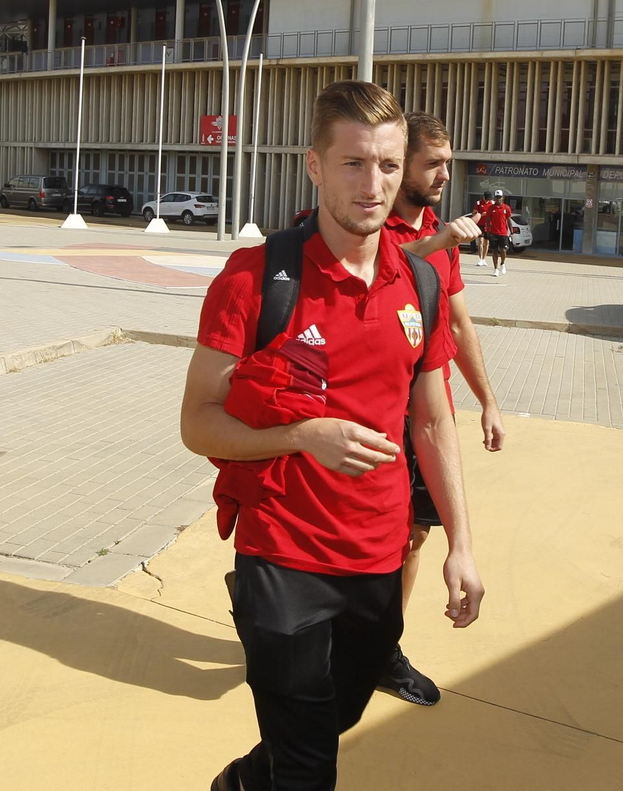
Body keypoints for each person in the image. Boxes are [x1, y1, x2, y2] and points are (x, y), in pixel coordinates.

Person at [182, 81, 483, 791]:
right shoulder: (257, 278)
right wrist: (302, 434)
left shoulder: (420, 281)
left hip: (378, 561)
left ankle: (241, 783)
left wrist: (462, 543)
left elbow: (434, 419)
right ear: (314, 165)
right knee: (312, 768)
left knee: (329, 721)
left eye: (386, 164)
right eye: (352, 163)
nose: (372, 184)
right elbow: (198, 422)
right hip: (282, 556)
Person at [379, 111, 506, 706]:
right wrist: (436, 243)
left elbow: (457, 318)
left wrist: (488, 401)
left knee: (415, 537)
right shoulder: (373, 226)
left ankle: (381, 647)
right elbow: (381, 276)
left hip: (429, 414)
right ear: (400, 163)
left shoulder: (437, 228)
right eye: (432, 164)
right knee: (374, 535)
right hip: (374, 413)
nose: (443, 175)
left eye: (448, 164)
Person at [482, 189, 515, 277]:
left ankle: (502, 263)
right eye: (496, 197)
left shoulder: (506, 208)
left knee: (503, 250)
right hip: (493, 233)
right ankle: (495, 269)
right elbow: (488, 221)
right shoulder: (491, 208)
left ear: (502, 197)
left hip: (503, 233)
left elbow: (509, 220)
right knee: (494, 251)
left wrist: (511, 232)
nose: (498, 199)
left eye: (499, 197)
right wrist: (487, 231)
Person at [471, 192, 495, 267]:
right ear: (483, 197)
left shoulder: (492, 203)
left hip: (488, 225)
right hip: (480, 224)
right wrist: (481, 214)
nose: (487, 201)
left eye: (489, 199)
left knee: (486, 242)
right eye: (486, 199)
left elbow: (494, 213)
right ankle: (480, 258)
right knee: (480, 241)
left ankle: (484, 259)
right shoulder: (478, 203)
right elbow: (474, 213)